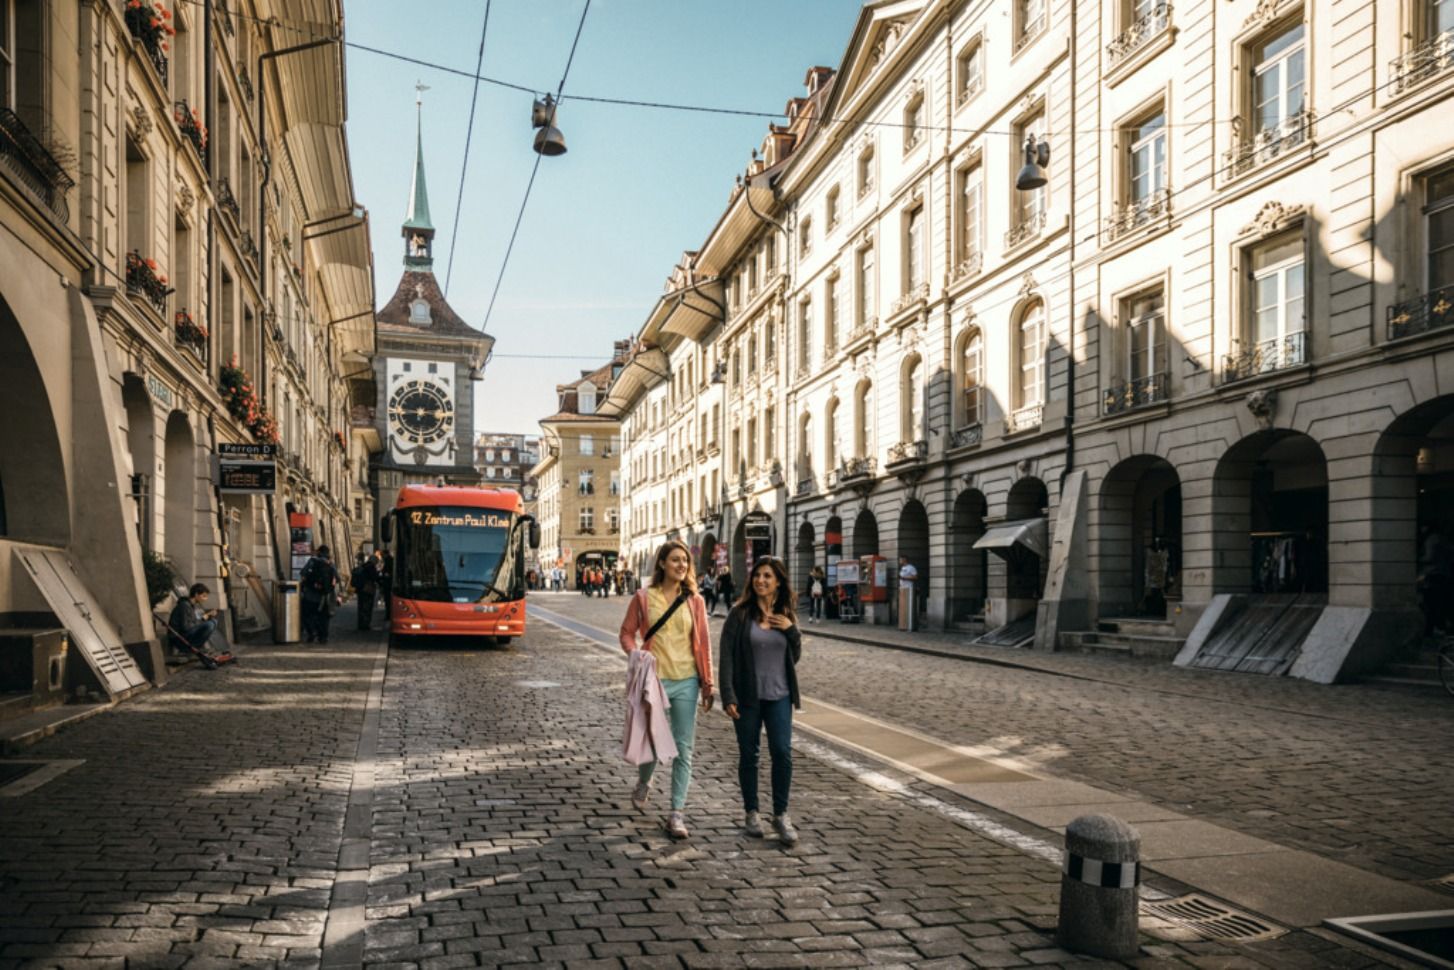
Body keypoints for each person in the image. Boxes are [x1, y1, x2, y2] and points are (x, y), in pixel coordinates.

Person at [618, 540, 715, 839]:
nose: (681, 565)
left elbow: (704, 643)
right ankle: (644, 781)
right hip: (654, 682)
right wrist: (637, 655)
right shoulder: (644, 598)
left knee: (683, 748)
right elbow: (626, 633)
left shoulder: (695, 601)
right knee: (653, 740)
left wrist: (707, 682)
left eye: (685, 561)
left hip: (686, 680)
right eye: (675, 560)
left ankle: (676, 813)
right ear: (662, 564)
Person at [719, 556, 802, 845]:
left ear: (778, 581)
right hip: (747, 697)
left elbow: (795, 656)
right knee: (749, 755)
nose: (761, 581)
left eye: (768, 576)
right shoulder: (739, 614)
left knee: (782, 752)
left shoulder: (786, 613)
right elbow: (726, 657)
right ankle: (752, 812)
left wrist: (791, 630)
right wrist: (727, 695)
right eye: (758, 576)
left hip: (780, 695)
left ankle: (781, 814)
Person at [300, 545, 341, 644]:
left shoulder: (312, 561)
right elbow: (337, 579)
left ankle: (311, 633)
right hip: (325, 596)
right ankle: (323, 637)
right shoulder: (330, 564)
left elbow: (303, 573)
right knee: (324, 617)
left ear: (319, 552)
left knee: (308, 615)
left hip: (310, 595)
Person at [168, 582, 221, 655]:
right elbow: (186, 627)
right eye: (204, 596)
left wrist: (205, 617)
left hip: (185, 635)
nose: (205, 599)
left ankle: (195, 647)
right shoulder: (184, 606)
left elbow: (193, 622)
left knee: (213, 622)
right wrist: (203, 619)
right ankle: (191, 648)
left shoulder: (190, 605)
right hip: (179, 639)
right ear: (196, 595)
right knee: (209, 624)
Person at [353, 549, 383, 631]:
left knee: (361, 607)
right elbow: (375, 577)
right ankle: (365, 625)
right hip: (368, 589)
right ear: (374, 561)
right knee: (367, 607)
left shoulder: (363, 565)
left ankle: (360, 624)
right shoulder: (371, 567)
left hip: (360, 589)